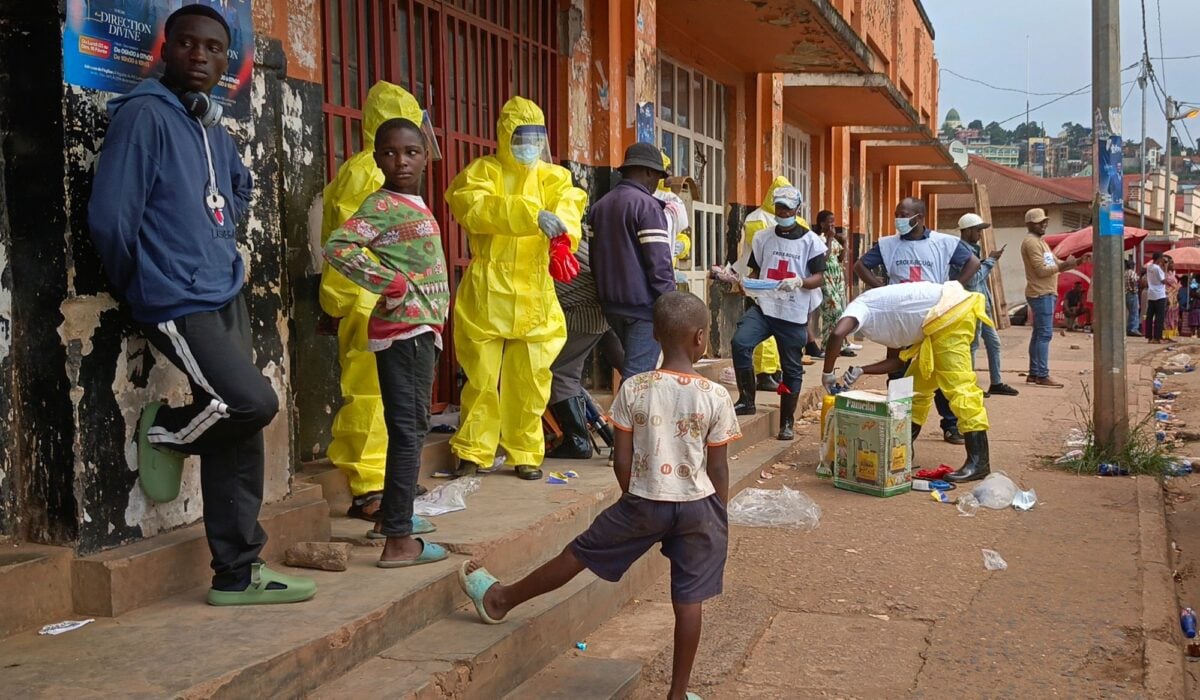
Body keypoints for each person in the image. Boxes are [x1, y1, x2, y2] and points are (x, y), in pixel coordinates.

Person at [87, 5, 315, 605]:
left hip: (223, 286)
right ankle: (164, 431)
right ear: (166, 49)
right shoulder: (144, 116)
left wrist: (220, 233)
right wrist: (145, 281)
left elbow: (237, 183)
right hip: (175, 296)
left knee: (239, 433)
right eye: (187, 44)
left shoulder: (209, 122)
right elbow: (111, 218)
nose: (200, 56)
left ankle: (237, 573)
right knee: (250, 403)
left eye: (213, 48)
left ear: (227, 61)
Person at [456, 291, 740, 700]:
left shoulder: (635, 388)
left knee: (579, 553)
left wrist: (634, 500)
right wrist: (718, 511)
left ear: (656, 336)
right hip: (699, 507)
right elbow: (718, 467)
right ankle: (678, 695)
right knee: (689, 599)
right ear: (701, 338)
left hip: (644, 500)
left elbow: (620, 460)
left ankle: (501, 599)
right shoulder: (715, 395)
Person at [323, 118, 450, 567]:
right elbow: (339, 246)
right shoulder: (380, 204)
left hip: (418, 332)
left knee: (409, 427)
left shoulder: (411, 203)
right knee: (409, 430)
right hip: (404, 332)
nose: (402, 161)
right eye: (391, 152)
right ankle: (398, 541)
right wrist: (389, 283)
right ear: (377, 158)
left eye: (412, 152)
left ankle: (393, 519)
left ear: (425, 157)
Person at [445, 96, 587, 481]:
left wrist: (564, 231)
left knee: (532, 377)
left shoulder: (554, 177)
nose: (529, 144)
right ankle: (473, 450)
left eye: (536, 137)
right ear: (505, 135)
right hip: (489, 285)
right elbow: (472, 206)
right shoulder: (482, 172)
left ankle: (525, 451)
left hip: (534, 288)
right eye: (521, 136)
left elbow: (571, 205)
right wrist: (529, 215)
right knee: (481, 376)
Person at [821, 281, 993, 483]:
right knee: (915, 389)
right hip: (938, 324)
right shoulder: (884, 316)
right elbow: (896, 361)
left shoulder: (861, 307)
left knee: (960, 387)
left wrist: (828, 373)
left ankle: (979, 461)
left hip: (950, 313)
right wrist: (861, 370)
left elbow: (837, 334)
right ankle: (899, 449)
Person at [854, 198, 981, 445]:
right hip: (899, 317)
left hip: (934, 315)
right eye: (896, 214)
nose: (899, 219)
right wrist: (881, 289)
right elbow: (860, 266)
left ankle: (951, 425)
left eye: (904, 214)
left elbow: (973, 263)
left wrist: (953, 288)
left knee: (940, 370)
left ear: (920, 218)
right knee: (898, 370)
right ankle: (898, 425)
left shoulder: (944, 242)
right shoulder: (887, 245)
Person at [730, 186, 826, 441]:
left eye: (787, 207)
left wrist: (800, 282)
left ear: (797, 209)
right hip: (764, 307)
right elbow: (754, 271)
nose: (782, 211)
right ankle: (747, 400)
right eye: (779, 206)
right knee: (740, 342)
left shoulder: (811, 241)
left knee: (791, 368)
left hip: (793, 312)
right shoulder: (762, 237)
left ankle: (787, 423)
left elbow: (819, 277)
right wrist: (746, 286)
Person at [591, 142, 675, 381]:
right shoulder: (647, 206)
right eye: (657, 177)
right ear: (648, 172)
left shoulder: (600, 206)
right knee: (637, 382)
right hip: (643, 308)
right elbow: (658, 263)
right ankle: (624, 420)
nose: (656, 184)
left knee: (632, 373)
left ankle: (624, 418)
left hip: (610, 305)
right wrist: (669, 305)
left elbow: (594, 258)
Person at [546, 238, 623, 459]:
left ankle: (577, 440)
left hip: (582, 315)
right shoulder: (571, 238)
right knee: (570, 372)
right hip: (598, 312)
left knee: (559, 373)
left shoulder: (549, 242)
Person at [737, 176, 796, 388]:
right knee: (763, 331)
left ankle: (776, 370)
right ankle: (763, 373)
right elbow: (758, 252)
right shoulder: (757, 218)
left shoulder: (789, 219)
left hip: (784, 283)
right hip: (762, 282)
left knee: (782, 328)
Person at [1020, 208, 1088, 386]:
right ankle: (1042, 374)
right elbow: (1042, 270)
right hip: (1041, 293)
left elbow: (1055, 264)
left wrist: (1077, 261)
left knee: (1039, 334)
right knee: (1044, 335)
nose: (1044, 224)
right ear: (1030, 224)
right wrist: (1066, 264)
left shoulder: (1040, 243)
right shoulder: (1032, 243)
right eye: (1040, 222)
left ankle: (1035, 373)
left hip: (1043, 293)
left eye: (1045, 221)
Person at [954, 213, 1019, 397]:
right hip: (971, 306)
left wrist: (985, 261)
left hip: (982, 306)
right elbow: (973, 280)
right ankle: (970, 385)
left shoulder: (973, 250)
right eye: (978, 230)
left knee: (994, 343)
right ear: (967, 231)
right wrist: (990, 261)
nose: (980, 234)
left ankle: (996, 382)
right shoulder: (962, 251)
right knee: (972, 345)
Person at [815, 211, 856, 358]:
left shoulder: (833, 239)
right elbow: (823, 259)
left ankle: (841, 345)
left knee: (841, 311)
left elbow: (839, 258)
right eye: (829, 221)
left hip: (837, 278)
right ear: (822, 224)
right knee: (833, 312)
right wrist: (830, 240)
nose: (832, 224)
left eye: (834, 221)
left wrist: (843, 243)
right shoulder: (818, 239)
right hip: (826, 279)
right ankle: (828, 345)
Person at [1144, 251, 1168, 344]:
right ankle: (1157, 337)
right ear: (1159, 259)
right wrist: (1165, 268)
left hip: (1151, 293)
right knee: (1159, 316)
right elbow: (1163, 280)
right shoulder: (1158, 268)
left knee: (1150, 316)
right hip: (1160, 294)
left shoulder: (1149, 267)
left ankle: (1149, 336)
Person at [1125, 258, 1143, 337]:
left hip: (1126, 293)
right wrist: (1133, 289)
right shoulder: (1132, 273)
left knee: (1130, 311)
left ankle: (1129, 328)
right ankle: (1133, 328)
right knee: (1134, 311)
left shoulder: (1124, 273)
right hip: (1132, 293)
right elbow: (1134, 280)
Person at [1165, 257, 1181, 341]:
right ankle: (1166, 335)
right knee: (1168, 316)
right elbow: (1172, 286)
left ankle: (1170, 335)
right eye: (1171, 263)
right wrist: (1177, 286)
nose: (1173, 265)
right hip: (1169, 297)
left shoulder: (1172, 274)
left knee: (1173, 316)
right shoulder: (1166, 274)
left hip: (1174, 298)